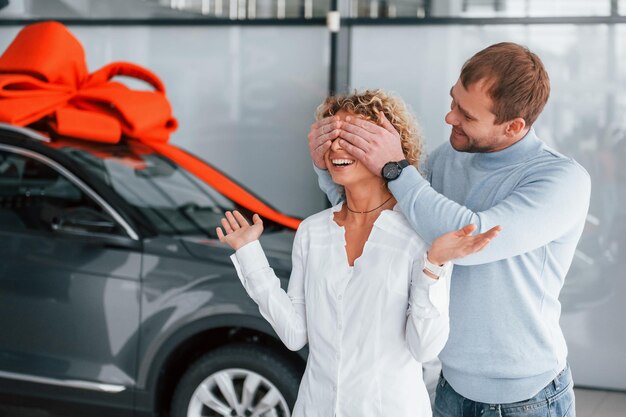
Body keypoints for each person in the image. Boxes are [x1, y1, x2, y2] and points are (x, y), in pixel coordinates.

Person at [308, 43, 590, 417]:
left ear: (514, 126)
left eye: (466, 115)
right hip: (449, 388)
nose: (449, 117)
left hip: (528, 401)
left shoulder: (560, 180)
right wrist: (326, 168)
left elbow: (472, 239)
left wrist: (395, 168)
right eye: (453, 101)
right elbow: (384, 224)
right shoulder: (447, 159)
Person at [217, 90, 500, 417]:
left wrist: (433, 266)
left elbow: (424, 348)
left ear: (386, 147)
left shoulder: (420, 236)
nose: (337, 146)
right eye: (332, 135)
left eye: (352, 137)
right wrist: (250, 254)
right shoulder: (313, 232)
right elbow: (295, 334)